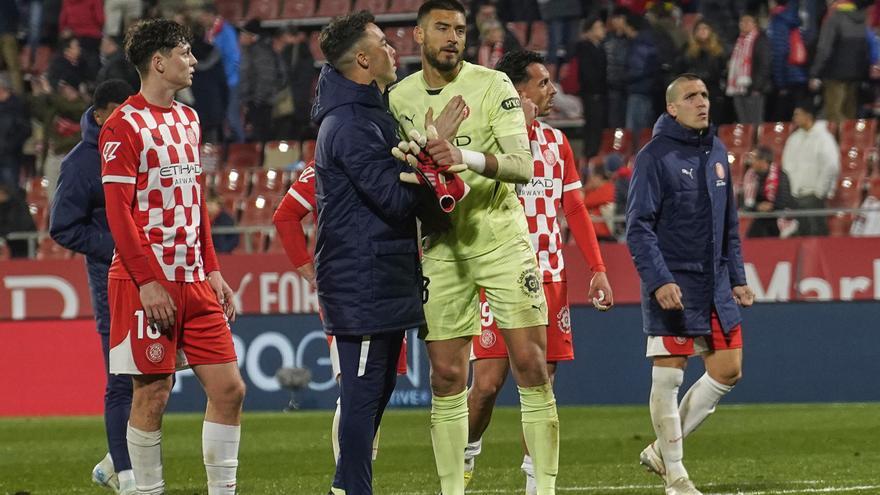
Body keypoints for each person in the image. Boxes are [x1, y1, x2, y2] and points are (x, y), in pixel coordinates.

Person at [389, 2, 559, 494]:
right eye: (442, 28)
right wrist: (423, 157)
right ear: (419, 34)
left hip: (502, 240)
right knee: (445, 376)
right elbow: (402, 171)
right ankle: (451, 490)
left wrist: (457, 155)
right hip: (442, 246)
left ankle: (543, 488)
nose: (453, 37)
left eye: (460, 30)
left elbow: (521, 165)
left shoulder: (493, 84)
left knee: (530, 365)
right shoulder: (399, 98)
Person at [309, 11, 465, 495]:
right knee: (360, 394)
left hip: (383, 271)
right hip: (362, 276)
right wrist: (427, 154)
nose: (393, 48)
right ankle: (355, 488)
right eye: (382, 43)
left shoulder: (371, 115)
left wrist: (420, 159)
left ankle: (343, 486)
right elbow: (395, 199)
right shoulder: (351, 124)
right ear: (362, 59)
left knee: (378, 389)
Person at [99, 19, 245, 495]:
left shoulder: (189, 118)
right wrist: (146, 281)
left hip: (196, 277)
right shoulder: (122, 125)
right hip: (147, 281)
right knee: (152, 392)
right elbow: (118, 214)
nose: (194, 61)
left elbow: (195, 197)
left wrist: (215, 270)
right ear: (158, 62)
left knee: (229, 389)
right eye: (185, 52)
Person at [464, 50, 614, 495]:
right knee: (487, 386)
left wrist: (598, 268)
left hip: (549, 276)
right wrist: (519, 127)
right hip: (496, 275)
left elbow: (574, 206)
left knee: (543, 384)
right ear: (517, 89)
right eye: (544, 83)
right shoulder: (488, 139)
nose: (552, 91)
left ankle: (537, 485)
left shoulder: (557, 144)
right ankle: (465, 456)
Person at [626, 73, 755, 495]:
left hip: (716, 284)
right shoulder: (653, 157)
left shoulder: (717, 151)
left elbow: (729, 223)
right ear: (672, 108)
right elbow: (638, 227)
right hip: (674, 284)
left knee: (728, 369)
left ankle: (662, 451)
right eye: (691, 96)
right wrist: (659, 279)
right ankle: (676, 475)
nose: (702, 102)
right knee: (668, 379)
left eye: (705, 94)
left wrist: (738, 278)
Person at [49, 79, 137, 494]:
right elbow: (62, 227)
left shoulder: (138, 147)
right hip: (111, 286)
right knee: (122, 381)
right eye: (118, 112)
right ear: (100, 114)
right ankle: (125, 472)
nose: (127, 119)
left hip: (153, 280)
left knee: (160, 378)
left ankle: (112, 459)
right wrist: (116, 246)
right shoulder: (82, 162)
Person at [781, 100, 839, 236]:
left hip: (813, 196)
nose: (794, 118)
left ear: (808, 116)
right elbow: (786, 166)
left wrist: (819, 191)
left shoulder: (824, 138)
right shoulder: (793, 139)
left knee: (816, 234)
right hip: (795, 197)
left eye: (797, 114)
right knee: (800, 235)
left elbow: (831, 165)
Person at [809, 0, 870, 123]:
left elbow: (824, 49)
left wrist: (815, 73)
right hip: (856, 75)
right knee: (850, 115)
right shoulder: (861, 20)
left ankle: (837, 141)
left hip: (835, 75)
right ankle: (850, 141)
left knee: (834, 115)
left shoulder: (834, 18)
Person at [571, 15, 607, 159]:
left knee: (598, 129)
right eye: (598, 27)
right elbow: (587, 74)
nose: (602, 30)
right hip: (591, 94)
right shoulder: (585, 48)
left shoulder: (600, 47)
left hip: (599, 94)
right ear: (589, 31)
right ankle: (589, 159)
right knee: (592, 129)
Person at [726, 13, 772, 125]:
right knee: (743, 122)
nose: (744, 24)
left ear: (755, 24)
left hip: (754, 88)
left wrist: (757, 86)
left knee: (755, 122)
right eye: (742, 21)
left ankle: (757, 142)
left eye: (748, 21)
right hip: (737, 88)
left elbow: (765, 64)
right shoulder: (737, 41)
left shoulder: (760, 40)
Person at [741, 145, 793, 238]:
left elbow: (785, 201)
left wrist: (771, 206)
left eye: (753, 159)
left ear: (763, 161)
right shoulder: (749, 176)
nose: (750, 162)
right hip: (760, 217)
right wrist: (758, 207)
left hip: (778, 217)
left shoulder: (781, 176)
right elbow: (745, 203)